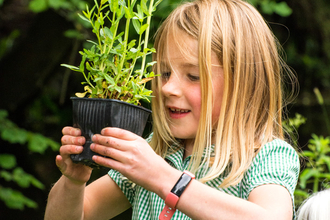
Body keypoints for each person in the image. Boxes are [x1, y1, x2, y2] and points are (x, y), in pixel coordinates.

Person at [44, 0, 300, 219]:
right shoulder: (159, 150)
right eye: (164, 73)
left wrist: (163, 178)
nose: (168, 88)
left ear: (243, 83)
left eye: (193, 76)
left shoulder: (264, 156)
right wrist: (74, 182)